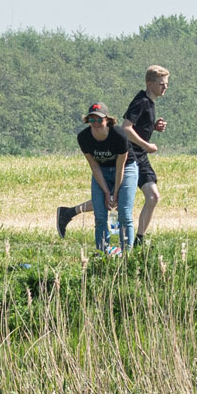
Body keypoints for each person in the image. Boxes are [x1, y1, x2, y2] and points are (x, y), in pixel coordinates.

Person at [58, 65, 168, 238]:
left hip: (140, 156)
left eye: (166, 84)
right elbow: (126, 129)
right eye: (162, 84)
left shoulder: (149, 103)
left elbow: (137, 127)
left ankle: (139, 239)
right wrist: (147, 145)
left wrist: (152, 127)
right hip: (132, 156)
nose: (165, 87)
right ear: (149, 84)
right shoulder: (141, 102)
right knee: (112, 200)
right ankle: (69, 213)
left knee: (152, 196)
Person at [71, 104, 134, 254]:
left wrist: (116, 193)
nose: (96, 124)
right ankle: (102, 254)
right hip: (101, 170)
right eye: (92, 120)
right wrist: (107, 192)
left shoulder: (119, 136)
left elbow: (120, 167)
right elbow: (94, 166)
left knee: (124, 214)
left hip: (126, 168)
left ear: (107, 120)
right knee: (100, 216)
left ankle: (128, 256)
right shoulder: (84, 138)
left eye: (99, 120)